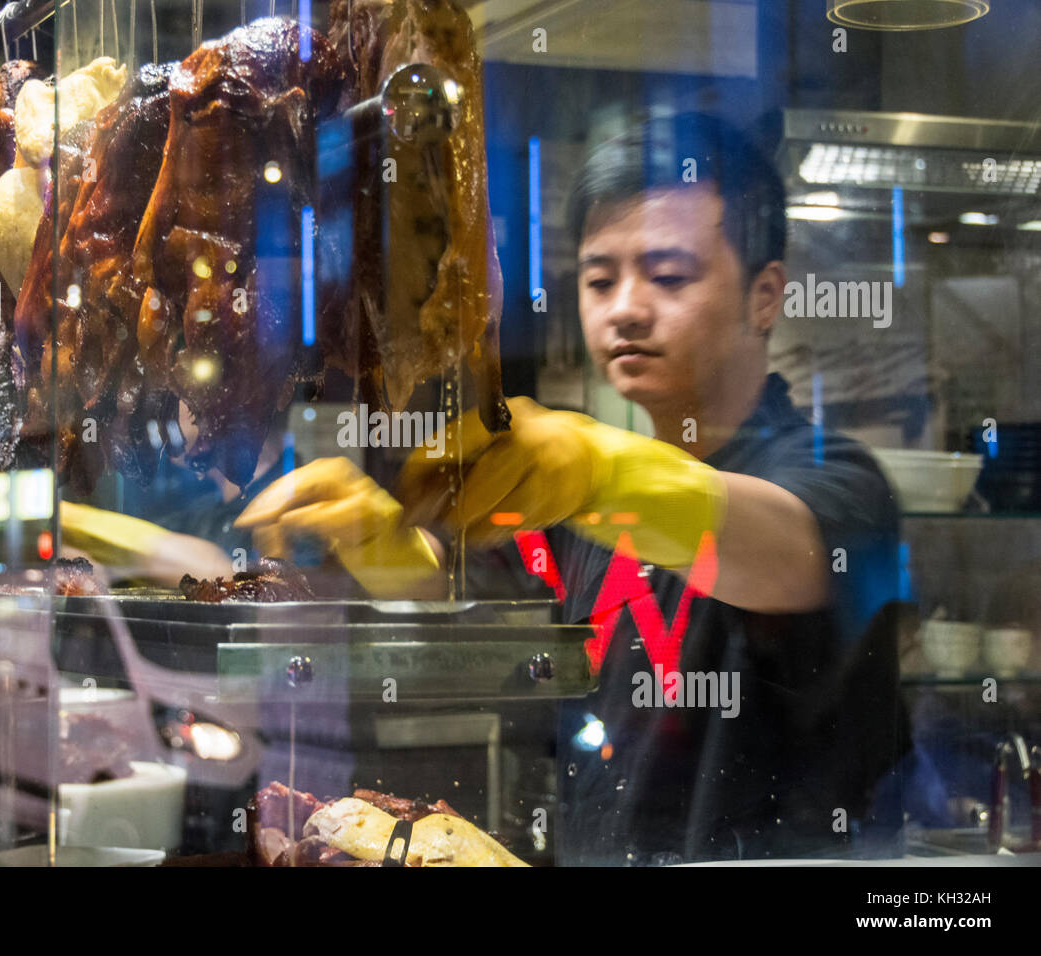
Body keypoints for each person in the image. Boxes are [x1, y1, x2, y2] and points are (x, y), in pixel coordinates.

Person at [236, 111, 911, 863]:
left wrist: (600, 472)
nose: (624, 307)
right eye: (599, 278)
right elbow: (464, 587)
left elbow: (786, 549)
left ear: (765, 295)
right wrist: (381, 537)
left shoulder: (840, 483)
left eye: (668, 275)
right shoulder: (577, 498)